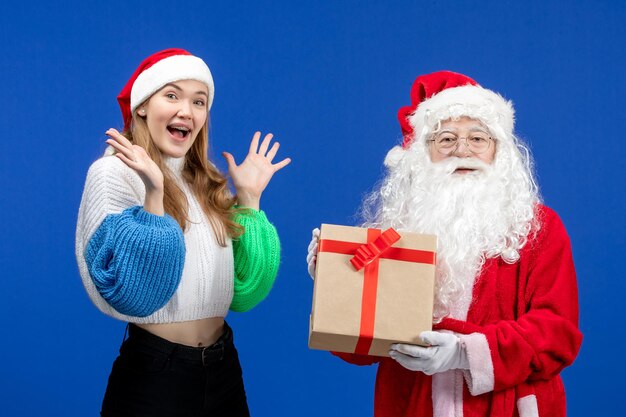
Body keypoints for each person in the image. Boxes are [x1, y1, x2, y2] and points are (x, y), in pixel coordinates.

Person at [306, 71, 582, 417]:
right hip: (412, 404)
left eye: (478, 138)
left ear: (499, 150)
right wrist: (336, 280)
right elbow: (357, 347)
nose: (462, 150)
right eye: (446, 139)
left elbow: (557, 332)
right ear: (424, 154)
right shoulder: (395, 233)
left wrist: (466, 352)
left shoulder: (539, 227)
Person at [76, 48, 290, 417]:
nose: (186, 111)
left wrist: (250, 201)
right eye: (172, 95)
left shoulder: (204, 180)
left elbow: (244, 293)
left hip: (223, 368)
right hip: (156, 376)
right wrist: (155, 197)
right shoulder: (113, 173)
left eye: (199, 101)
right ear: (142, 105)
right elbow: (133, 297)